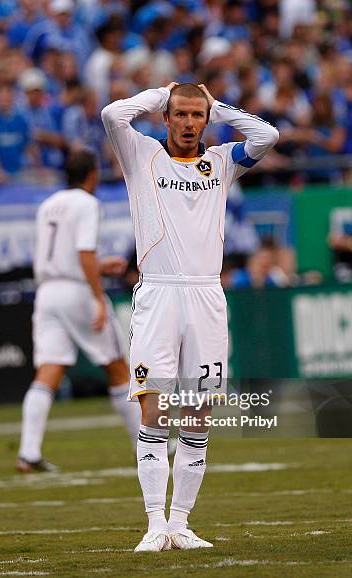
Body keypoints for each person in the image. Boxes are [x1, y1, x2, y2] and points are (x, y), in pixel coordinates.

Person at [102, 82, 279, 551]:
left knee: (199, 414)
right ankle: (153, 523)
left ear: (206, 120)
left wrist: (218, 107)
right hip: (158, 295)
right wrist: (162, 92)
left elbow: (267, 136)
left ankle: (180, 523)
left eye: (196, 116)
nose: (187, 123)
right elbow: (112, 114)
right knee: (155, 408)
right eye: (178, 114)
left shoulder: (220, 163)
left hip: (206, 297)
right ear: (165, 117)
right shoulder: (141, 156)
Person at [17, 149, 141, 473]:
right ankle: (146, 447)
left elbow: (61, 256)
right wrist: (99, 297)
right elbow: (83, 251)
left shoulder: (48, 205)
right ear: (92, 175)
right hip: (76, 291)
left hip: (47, 293)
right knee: (117, 368)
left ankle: (28, 453)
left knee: (49, 370)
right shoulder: (87, 203)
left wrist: (98, 267)